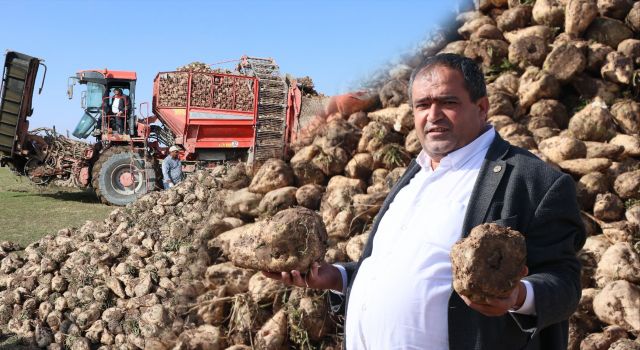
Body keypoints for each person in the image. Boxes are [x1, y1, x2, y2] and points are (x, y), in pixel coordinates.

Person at [264, 53, 586, 350]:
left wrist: (517, 297)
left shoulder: (533, 181)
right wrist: (337, 277)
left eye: (448, 101)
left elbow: (566, 283)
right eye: (422, 105)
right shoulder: (413, 176)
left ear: (482, 107)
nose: (433, 115)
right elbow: (396, 268)